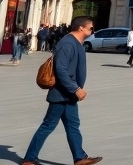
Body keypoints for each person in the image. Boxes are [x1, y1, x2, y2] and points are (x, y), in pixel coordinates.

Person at [20, 15, 103, 165]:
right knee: (48, 125)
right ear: (81, 28)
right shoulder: (68, 43)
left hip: (68, 96)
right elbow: (61, 69)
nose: (92, 30)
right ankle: (29, 159)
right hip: (61, 93)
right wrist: (76, 88)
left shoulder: (76, 43)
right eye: (91, 27)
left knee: (73, 125)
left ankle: (80, 158)